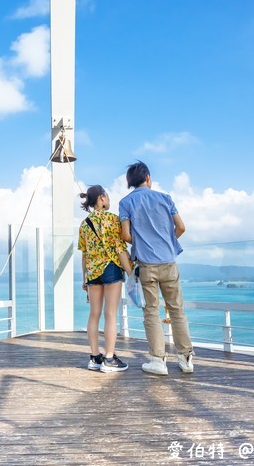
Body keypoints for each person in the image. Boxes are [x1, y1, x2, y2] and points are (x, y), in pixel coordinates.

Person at [119, 161, 194, 376]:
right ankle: (186, 358)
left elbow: (125, 235)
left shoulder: (126, 203)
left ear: (130, 182)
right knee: (177, 310)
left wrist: (142, 242)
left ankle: (158, 361)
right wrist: (167, 243)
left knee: (151, 312)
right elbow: (181, 227)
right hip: (169, 262)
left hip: (146, 265)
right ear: (148, 178)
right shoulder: (165, 198)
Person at [78, 185, 133, 372]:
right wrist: (131, 272)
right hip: (111, 269)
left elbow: (84, 254)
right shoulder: (113, 220)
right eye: (107, 196)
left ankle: (95, 357)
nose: (108, 199)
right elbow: (120, 249)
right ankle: (109, 359)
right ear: (101, 198)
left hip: (92, 272)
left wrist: (84, 278)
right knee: (110, 314)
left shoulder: (84, 224)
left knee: (94, 314)